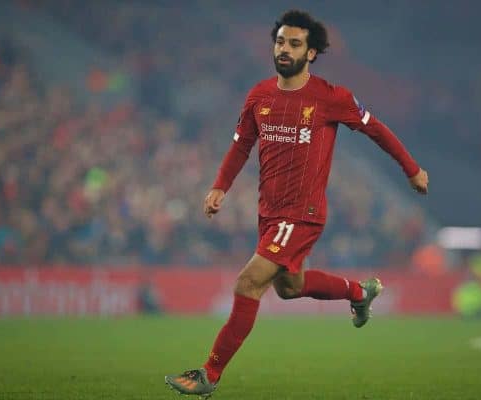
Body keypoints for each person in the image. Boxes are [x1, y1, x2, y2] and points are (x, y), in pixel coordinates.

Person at [165, 9, 429, 397]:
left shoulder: (329, 97)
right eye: (280, 42)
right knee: (289, 287)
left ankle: (209, 374)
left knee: (248, 282)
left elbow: (376, 129)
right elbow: (242, 145)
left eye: (294, 44)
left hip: (302, 213)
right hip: (269, 212)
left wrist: (411, 169)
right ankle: (359, 292)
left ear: (311, 53)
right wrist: (220, 186)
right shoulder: (259, 95)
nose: (284, 49)